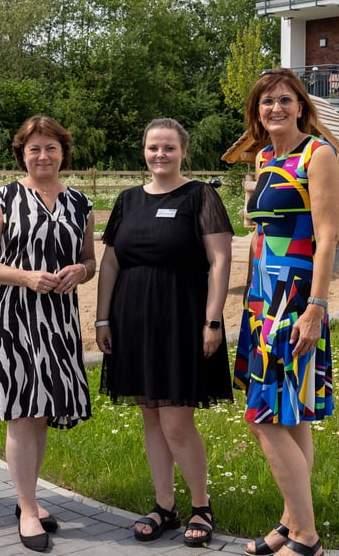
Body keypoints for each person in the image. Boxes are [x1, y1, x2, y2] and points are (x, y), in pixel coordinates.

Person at [96, 118, 233, 548]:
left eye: (169, 148)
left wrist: (213, 320)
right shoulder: (127, 200)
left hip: (183, 318)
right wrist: (102, 319)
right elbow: (111, 264)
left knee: (176, 421)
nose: (160, 155)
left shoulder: (200, 196)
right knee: (150, 417)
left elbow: (220, 262)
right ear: (144, 151)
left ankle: (201, 506)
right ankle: (163, 507)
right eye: (153, 147)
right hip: (133, 320)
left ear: (183, 152)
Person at [0, 115, 96, 552]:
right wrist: (24, 277)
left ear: (64, 153)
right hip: (13, 315)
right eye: (34, 148)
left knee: (42, 410)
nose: (43, 156)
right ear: (21, 153)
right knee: (23, 408)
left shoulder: (80, 202)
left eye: (51, 148)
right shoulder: (2, 199)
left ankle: (31, 497)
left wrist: (82, 270)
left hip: (59, 316)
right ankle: (25, 507)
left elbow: (90, 260)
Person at [233, 68, 339, 556]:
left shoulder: (317, 155)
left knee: (264, 415)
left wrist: (316, 307)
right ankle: (288, 521)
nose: (274, 108)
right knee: (290, 413)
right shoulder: (263, 157)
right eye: (265, 102)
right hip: (262, 297)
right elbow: (262, 232)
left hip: (294, 299)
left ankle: (307, 537)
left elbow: (328, 236)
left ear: (301, 105)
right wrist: (249, 295)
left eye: (283, 100)